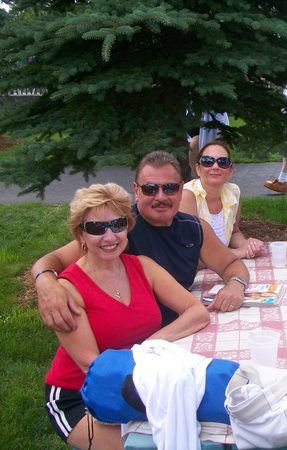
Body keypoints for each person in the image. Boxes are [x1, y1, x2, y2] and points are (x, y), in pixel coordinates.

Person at [44, 183, 210, 449]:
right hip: (81, 395)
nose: (110, 236)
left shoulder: (143, 266)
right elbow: (93, 366)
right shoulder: (68, 290)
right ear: (80, 234)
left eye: (118, 224)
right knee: (155, 444)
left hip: (141, 379)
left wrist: (148, 346)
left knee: (198, 432)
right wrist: (144, 357)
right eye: (97, 228)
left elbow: (197, 312)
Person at [32, 151, 250, 332]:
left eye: (170, 188)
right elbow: (53, 259)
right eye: (150, 189)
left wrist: (235, 285)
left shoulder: (194, 228)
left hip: (179, 325)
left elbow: (231, 264)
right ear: (136, 190)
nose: (161, 196)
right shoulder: (116, 230)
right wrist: (46, 284)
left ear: (181, 189)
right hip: (131, 334)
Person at [180, 140, 265, 259]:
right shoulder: (187, 196)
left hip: (221, 265)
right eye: (207, 161)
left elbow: (234, 232)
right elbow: (189, 254)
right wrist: (239, 253)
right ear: (198, 169)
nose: (215, 167)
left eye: (223, 162)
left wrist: (246, 245)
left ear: (230, 171)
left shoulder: (233, 192)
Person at [187, 111, 230, 178]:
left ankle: (219, 176)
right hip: (197, 113)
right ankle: (199, 178)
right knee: (195, 142)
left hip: (216, 112)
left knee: (221, 141)